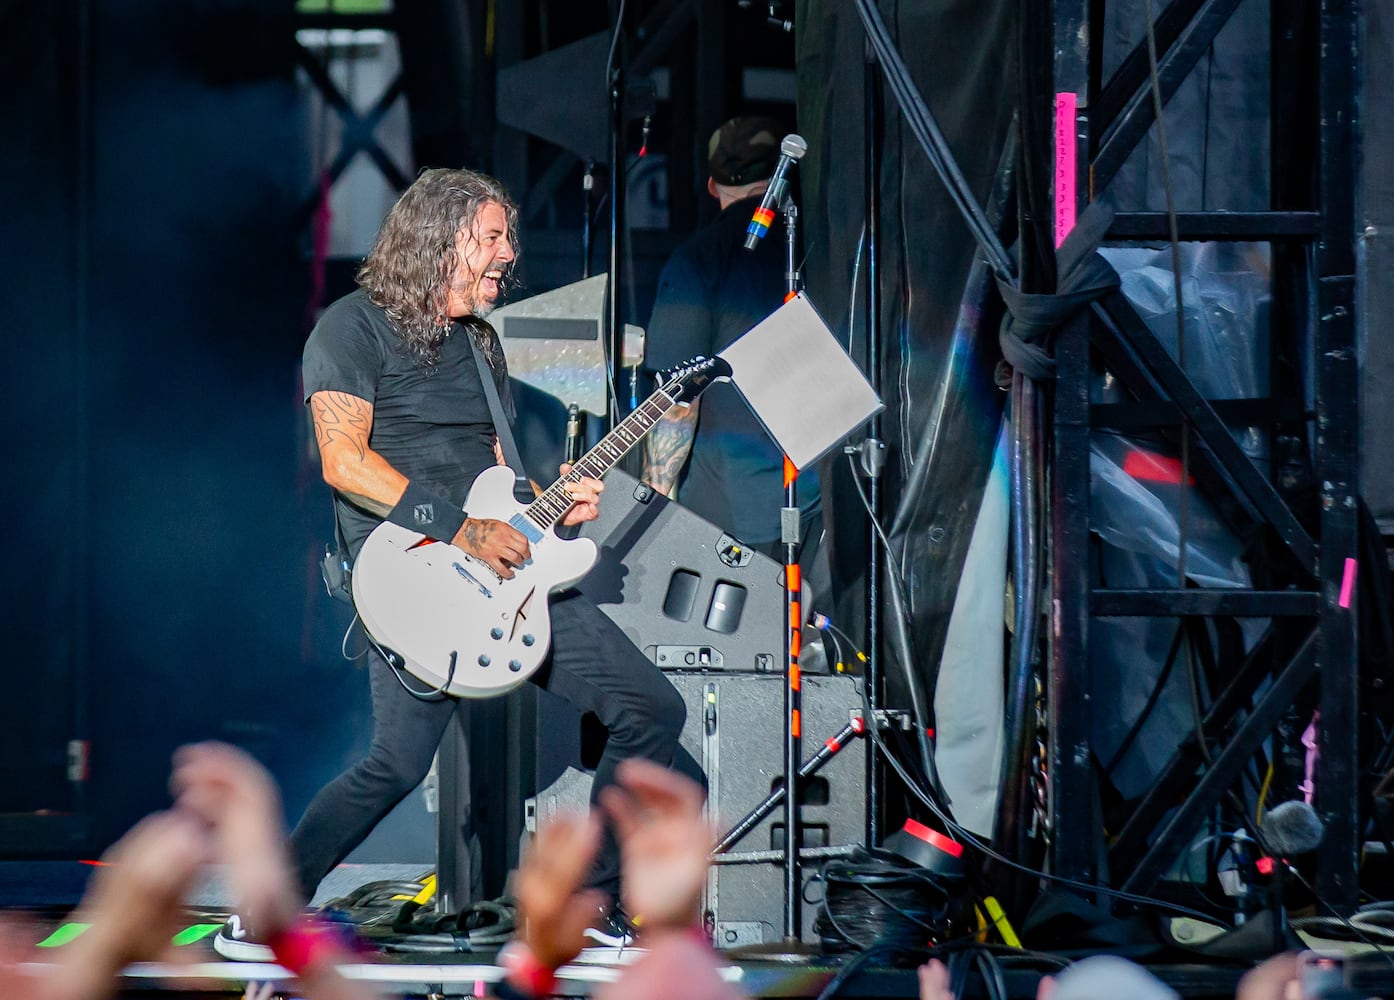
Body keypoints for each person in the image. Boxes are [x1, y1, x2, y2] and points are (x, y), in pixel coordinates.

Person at [215, 167, 702, 959]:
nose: (510, 253)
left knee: (649, 708)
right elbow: (344, 464)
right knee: (395, 764)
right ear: (439, 239)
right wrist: (462, 531)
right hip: (411, 574)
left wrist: (549, 503)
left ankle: (589, 904)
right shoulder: (351, 328)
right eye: (494, 237)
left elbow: (490, 469)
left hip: (508, 572)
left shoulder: (480, 343)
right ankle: (265, 909)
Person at [641, 115, 825, 580]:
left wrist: (652, 512)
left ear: (711, 185)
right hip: (827, 504)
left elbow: (678, 402)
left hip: (728, 515)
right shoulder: (826, 255)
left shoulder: (695, 263)